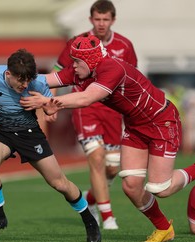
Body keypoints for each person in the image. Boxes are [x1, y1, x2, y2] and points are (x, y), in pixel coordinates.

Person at [19, 34, 195, 242]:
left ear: (90, 60)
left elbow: (86, 98)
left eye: (76, 61)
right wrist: (9, 77)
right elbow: (47, 79)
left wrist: (49, 101)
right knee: (131, 185)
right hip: (136, 126)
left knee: (161, 188)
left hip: (161, 122)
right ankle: (164, 228)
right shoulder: (83, 70)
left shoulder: (112, 68)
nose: (73, 66)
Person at [0, 49, 101, 242]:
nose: (24, 85)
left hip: (30, 134)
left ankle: (90, 221)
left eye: (27, 80)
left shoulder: (37, 83)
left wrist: (45, 106)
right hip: (0, 132)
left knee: (59, 183)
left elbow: (50, 110)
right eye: (20, 80)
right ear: (8, 74)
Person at [52, 0, 138, 230]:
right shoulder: (76, 42)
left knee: (111, 168)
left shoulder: (124, 46)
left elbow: (131, 78)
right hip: (84, 107)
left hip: (112, 111)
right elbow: (59, 72)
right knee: (96, 158)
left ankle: (91, 199)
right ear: (91, 20)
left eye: (105, 19)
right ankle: (107, 217)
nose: (101, 23)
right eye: (97, 19)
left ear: (112, 20)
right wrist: (49, 102)